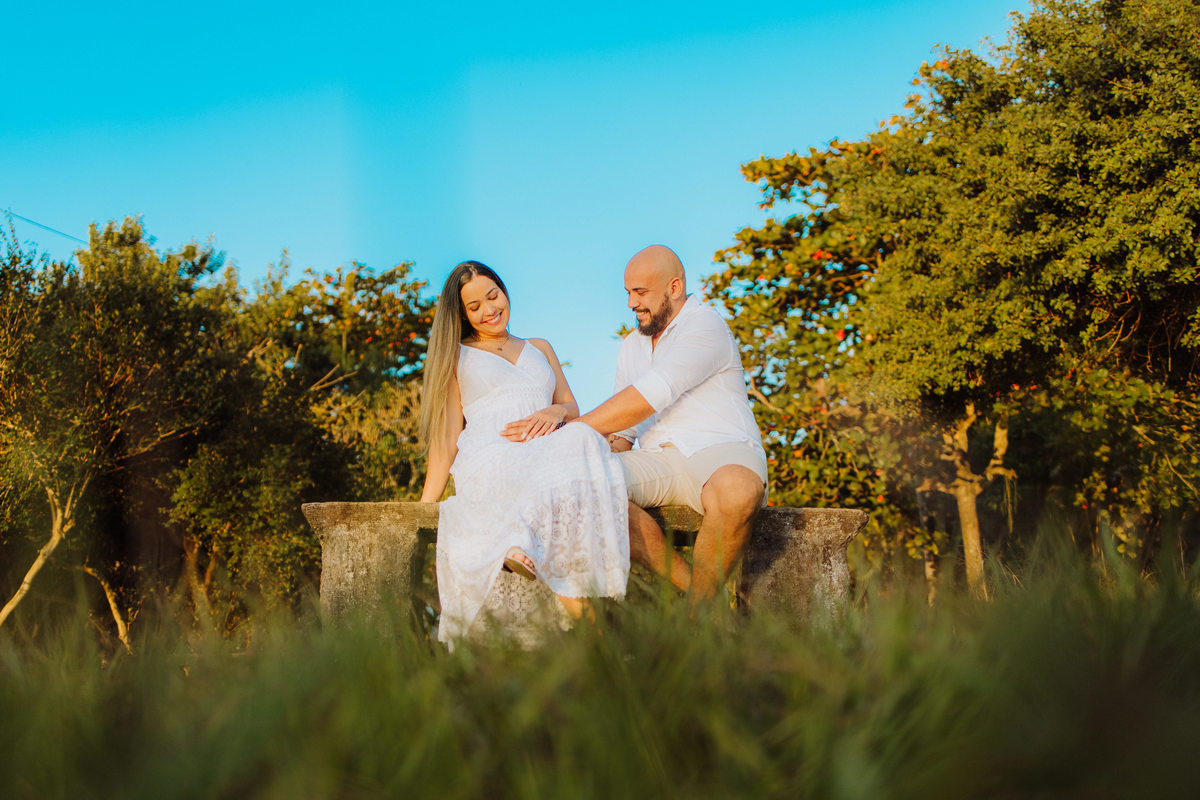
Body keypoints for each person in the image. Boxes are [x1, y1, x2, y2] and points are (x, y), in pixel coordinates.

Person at [419, 260, 629, 644]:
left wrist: (555, 410)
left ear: (504, 289)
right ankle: (601, 644)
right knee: (573, 450)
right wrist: (424, 502)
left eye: (493, 295)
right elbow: (448, 433)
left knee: (581, 436)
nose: (489, 309)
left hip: (547, 453)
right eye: (475, 306)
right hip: (492, 453)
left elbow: (572, 407)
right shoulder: (458, 355)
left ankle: (525, 543)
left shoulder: (540, 347)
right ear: (462, 315)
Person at [559, 245, 767, 602]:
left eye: (640, 292)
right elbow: (622, 435)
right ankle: (704, 601)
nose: (631, 303)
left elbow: (652, 394)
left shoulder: (705, 323)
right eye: (627, 292)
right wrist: (575, 451)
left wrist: (575, 431)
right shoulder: (631, 347)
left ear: (674, 288)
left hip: (720, 451)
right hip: (656, 460)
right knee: (576, 484)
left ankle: (692, 619)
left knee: (738, 490)